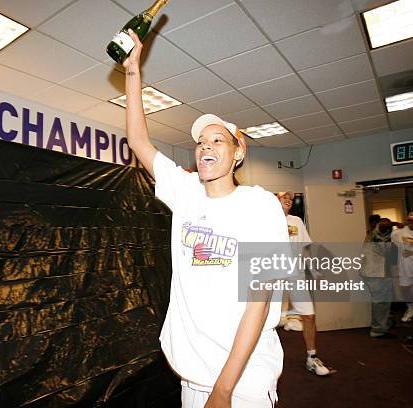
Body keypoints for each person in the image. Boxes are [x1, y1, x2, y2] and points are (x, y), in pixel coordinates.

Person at [123, 30, 288, 408]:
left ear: (237, 154)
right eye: (201, 142)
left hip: (243, 376)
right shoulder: (185, 192)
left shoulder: (260, 206)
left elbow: (258, 301)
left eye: (218, 140)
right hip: (192, 373)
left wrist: (224, 389)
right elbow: (138, 141)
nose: (205, 146)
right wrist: (133, 71)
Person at [276, 191, 331, 376]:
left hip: (296, 275)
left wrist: (313, 269)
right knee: (263, 321)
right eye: (283, 196)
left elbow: (304, 248)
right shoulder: (264, 218)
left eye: (290, 198)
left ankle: (312, 357)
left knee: (309, 315)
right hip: (272, 275)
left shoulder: (297, 221)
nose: (288, 200)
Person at [361, 217, 397, 339]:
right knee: (380, 303)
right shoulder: (376, 235)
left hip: (373, 273)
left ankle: (384, 324)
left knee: (382, 302)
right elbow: (383, 227)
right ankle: (378, 331)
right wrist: (393, 224)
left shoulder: (371, 235)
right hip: (377, 274)